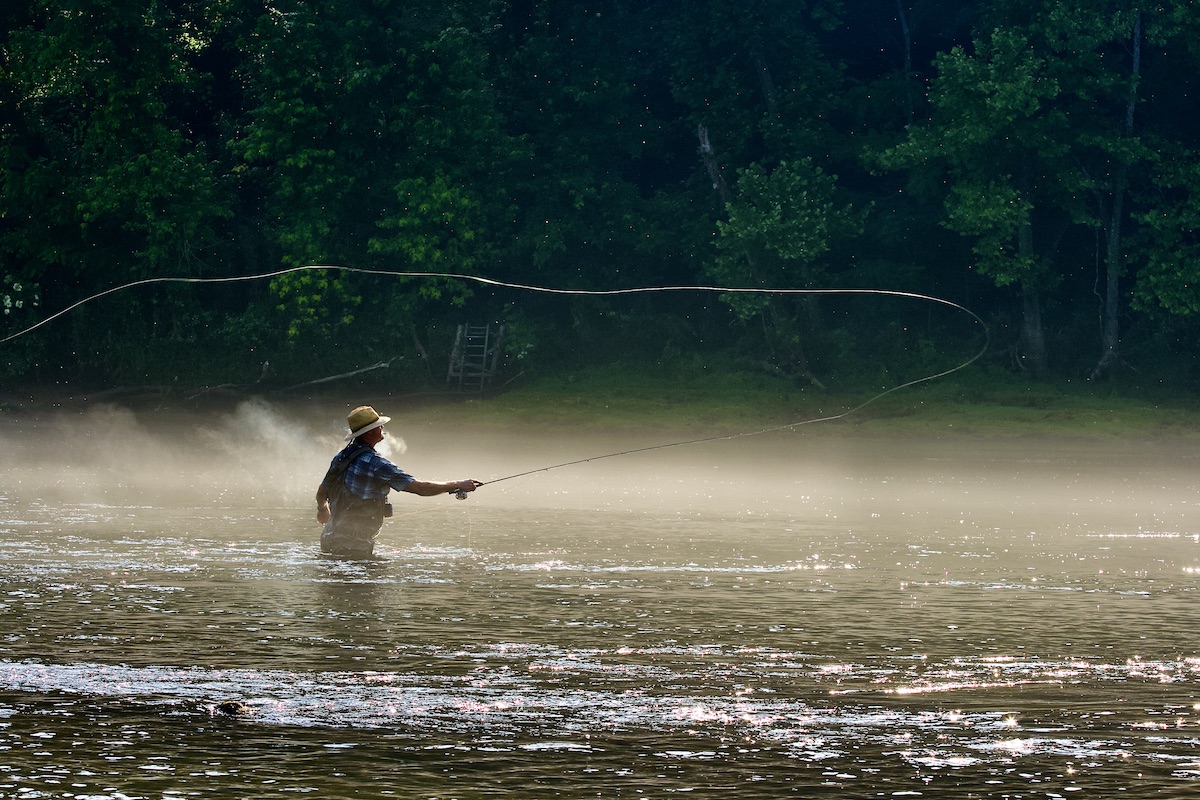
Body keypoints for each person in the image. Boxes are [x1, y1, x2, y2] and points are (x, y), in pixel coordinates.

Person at [316, 405, 482, 558]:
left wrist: (322, 510)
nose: (382, 428)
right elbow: (419, 488)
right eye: (379, 426)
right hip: (352, 546)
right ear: (369, 432)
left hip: (328, 539)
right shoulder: (376, 463)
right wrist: (458, 485)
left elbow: (322, 492)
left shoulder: (340, 458)